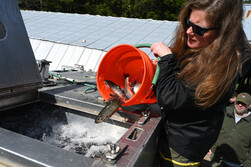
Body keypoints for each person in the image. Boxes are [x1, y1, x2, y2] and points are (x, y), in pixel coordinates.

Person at [150, 0, 251, 166]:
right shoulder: (211, 49)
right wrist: (168, 68)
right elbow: (186, 86)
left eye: (199, 29)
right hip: (187, 136)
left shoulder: (221, 67)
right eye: (188, 23)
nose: (189, 31)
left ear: (221, 33)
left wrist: (167, 60)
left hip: (181, 148)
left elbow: (169, 97)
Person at [210, 92, 251, 167]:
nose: (240, 105)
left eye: (244, 104)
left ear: (249, 105)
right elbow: (213, 129)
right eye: (238, 102)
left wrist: (247, 164)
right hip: (216, 159)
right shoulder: (225, 112)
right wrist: (211, 147)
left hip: (236, 164)